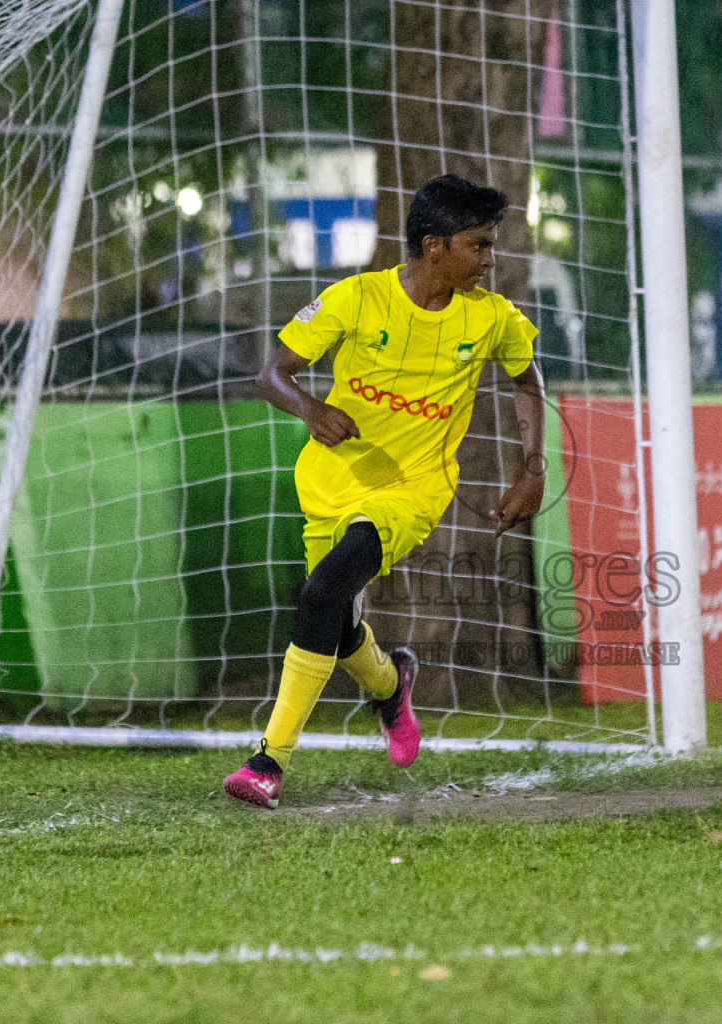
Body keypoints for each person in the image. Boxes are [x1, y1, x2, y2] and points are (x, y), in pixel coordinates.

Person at [223, 174, 546, 809]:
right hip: (330, 481)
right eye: (479, 246)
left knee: (322, 592)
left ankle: (268, 761)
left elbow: (527, 383)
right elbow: (273, 373)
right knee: (333, 620)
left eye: (491, 245)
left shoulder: (491, 319)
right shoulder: (355, 299)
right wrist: (313, 411)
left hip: (411, 491)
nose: (490, 259)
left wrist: (532, 469)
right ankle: (392, 686)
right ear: (435, 246)